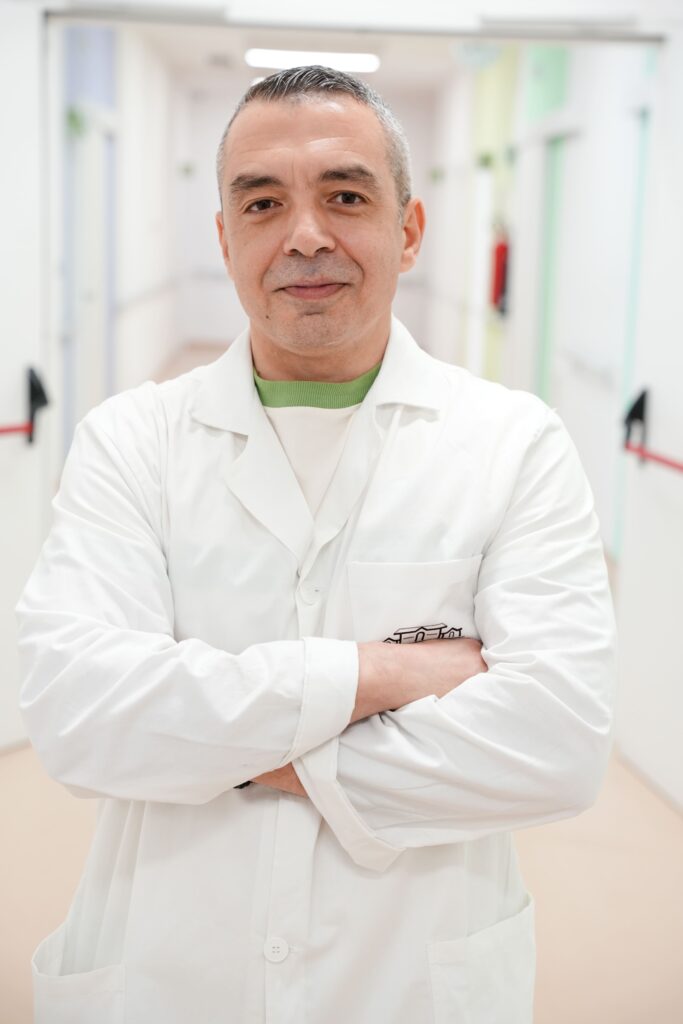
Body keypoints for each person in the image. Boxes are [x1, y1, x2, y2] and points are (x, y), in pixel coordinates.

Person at [16, 66, 617, 1024]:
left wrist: (224, 748)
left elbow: (555, 746)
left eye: (345, 196)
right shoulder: (131, 441)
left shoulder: (512, 444)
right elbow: (80, 717)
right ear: (225, 238)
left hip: (409, 981)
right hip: (172, 969)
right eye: (262, 203)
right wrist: (378, 674)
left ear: (408, 230)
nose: (304, 235)